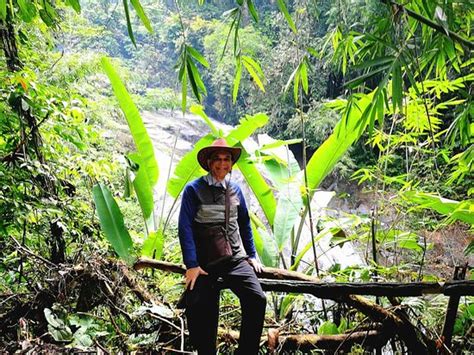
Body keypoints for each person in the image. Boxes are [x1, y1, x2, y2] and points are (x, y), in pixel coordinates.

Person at [178, 138, 266, 354]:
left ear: (231, 164)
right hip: (205, 262)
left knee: (257, 299)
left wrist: (252, 254)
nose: (222, 164)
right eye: (217, 159)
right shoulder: (193, 190)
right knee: (201, 310)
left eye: (226, 159)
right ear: (209, 162)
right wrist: (191, 264)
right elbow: (185, 227)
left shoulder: (235, 190)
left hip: (234, 259)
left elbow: (244, 222)